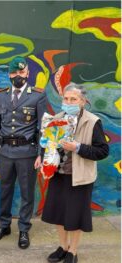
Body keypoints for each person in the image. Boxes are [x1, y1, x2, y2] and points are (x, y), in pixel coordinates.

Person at [41, 83, 109, 263]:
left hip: (80, 177)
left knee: (75, 215)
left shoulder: (92, 121)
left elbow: (102, 151)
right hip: (58, 174)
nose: (68, 102)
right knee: (58, 213)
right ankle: (63, 247)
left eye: (73, 99)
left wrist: (77, 147)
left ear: (83, 101)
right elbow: (48, 143)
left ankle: (73, 250)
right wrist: (43, 156)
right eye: (66, 98)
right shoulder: (56, 118)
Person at [0, 56, 47, 249]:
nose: (18, 76)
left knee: (27, 193)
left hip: (27, 153)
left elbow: (42, 128)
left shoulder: (37, 96)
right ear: (9, 74)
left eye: (21, 72)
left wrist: (41, 153)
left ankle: (23, 229)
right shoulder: (1, 96)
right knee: (5, 191)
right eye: (14, 73)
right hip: (5, 153)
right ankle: (4, 226)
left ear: (28, 74)